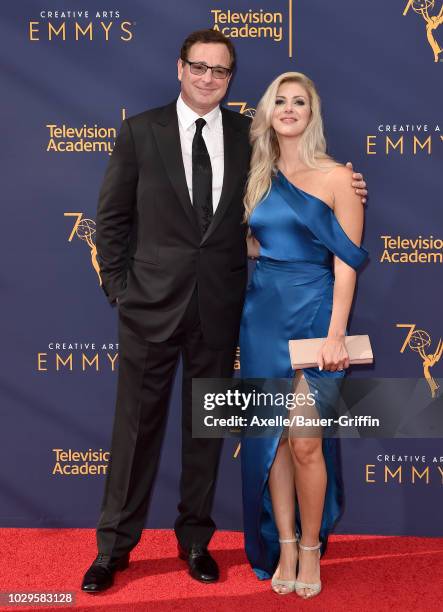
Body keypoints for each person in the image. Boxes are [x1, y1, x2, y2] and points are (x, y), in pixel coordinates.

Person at [81, 28, 368, 593]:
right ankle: (113, 549)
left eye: (221, 70)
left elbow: (293, 191)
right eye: (199, 66)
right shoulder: (141, 131)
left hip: (225, 311)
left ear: (231, 79)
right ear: (181, 68)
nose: (209, 77)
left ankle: (194, 542)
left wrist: (346, 185)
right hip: (150, 310)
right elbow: (111, 222)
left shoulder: (249, 136)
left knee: (205, 435)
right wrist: (122, 291)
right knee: (135, 432)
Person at [239, 71, 368, 600]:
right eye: (280, 101)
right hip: (263, 315)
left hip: (316, 313)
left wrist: (337, 333)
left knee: (307, 441)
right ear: (268, 112)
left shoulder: (339, 177)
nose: (289, 109)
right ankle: (285, 545)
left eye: (299, 102)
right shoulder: (260, 175)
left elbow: (347, 263)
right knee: (273, 441)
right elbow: (254, 240)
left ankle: (311, 546)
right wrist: (266, 255)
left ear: (312, 114)